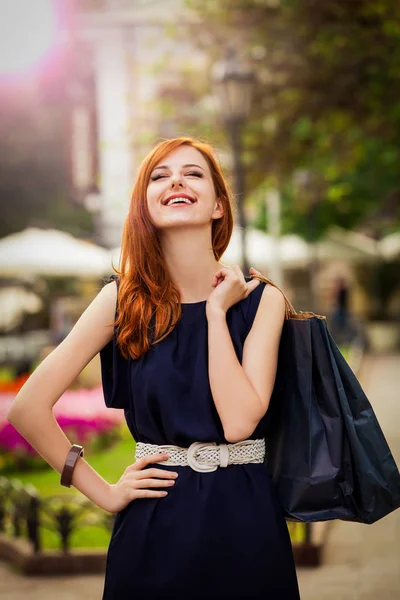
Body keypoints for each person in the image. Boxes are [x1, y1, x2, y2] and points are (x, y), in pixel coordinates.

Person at [7, 137, 301, 599]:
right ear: (145, 206)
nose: (176, 181)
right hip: (155, 521)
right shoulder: (121, 301)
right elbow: (27, 408)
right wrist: (103, 492)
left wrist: (215, 314)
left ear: (219, 205)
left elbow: (240, 421)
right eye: (159, 176)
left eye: (193, 173)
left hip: (245, 521)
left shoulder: (263, 300)